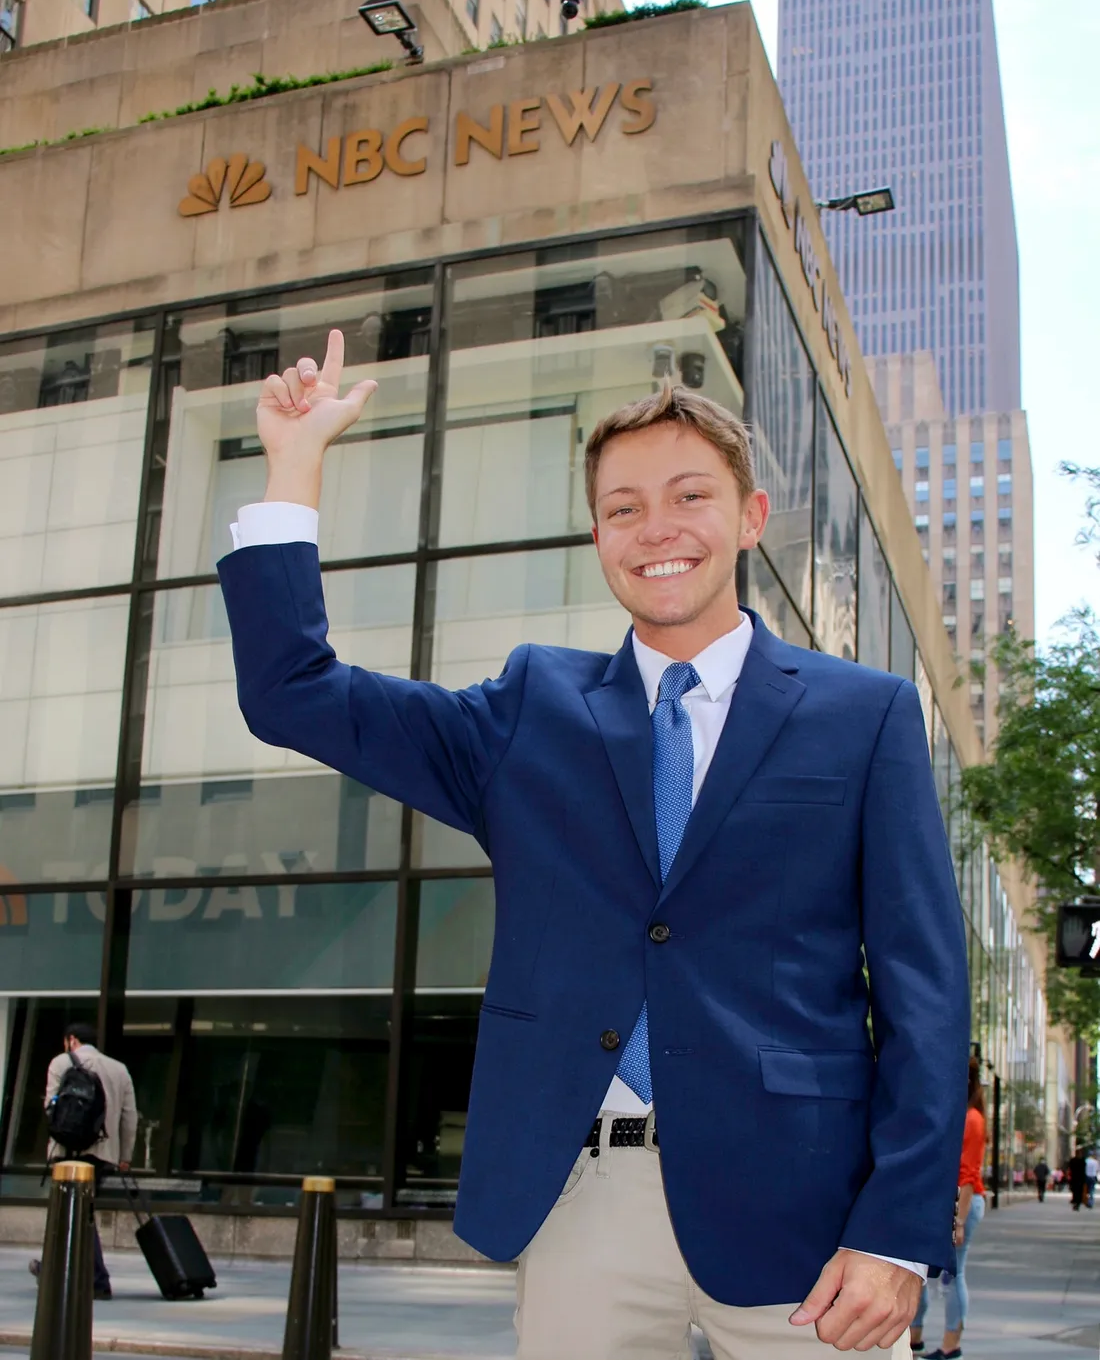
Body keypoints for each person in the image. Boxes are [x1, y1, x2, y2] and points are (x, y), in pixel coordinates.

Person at [217, 331, 971, 1358]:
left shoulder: (863, 715)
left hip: (805, 1210)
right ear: (597, 537)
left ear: (749, 518)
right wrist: (292, 467)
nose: (655, 528)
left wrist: (897, 1229)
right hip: (582, 1202)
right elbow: (292, 693)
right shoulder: (531, 709)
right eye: (623, 509)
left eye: (688, 497)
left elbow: (925, 992)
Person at [30, 1023, 137, 1301]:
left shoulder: (61, 1062)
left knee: (72, 1214)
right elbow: (130, 1117)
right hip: (101, 1153)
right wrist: (125, 1156)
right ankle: (56, 1270)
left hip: (66, 1150)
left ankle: (95, 1279)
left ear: (72, 1040)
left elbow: (50, 1107)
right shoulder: (119, 1068)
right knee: (78, 1214)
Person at [910, 1057, 987, 1359]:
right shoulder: (961, 1116)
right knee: (923, 1272)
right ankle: (916, 1339)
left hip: (961, 1205)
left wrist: (958, 1222)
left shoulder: (972, 1119)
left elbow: (967, 1174)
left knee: (954, 1277)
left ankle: (951, 1344)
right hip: (947, 1203)